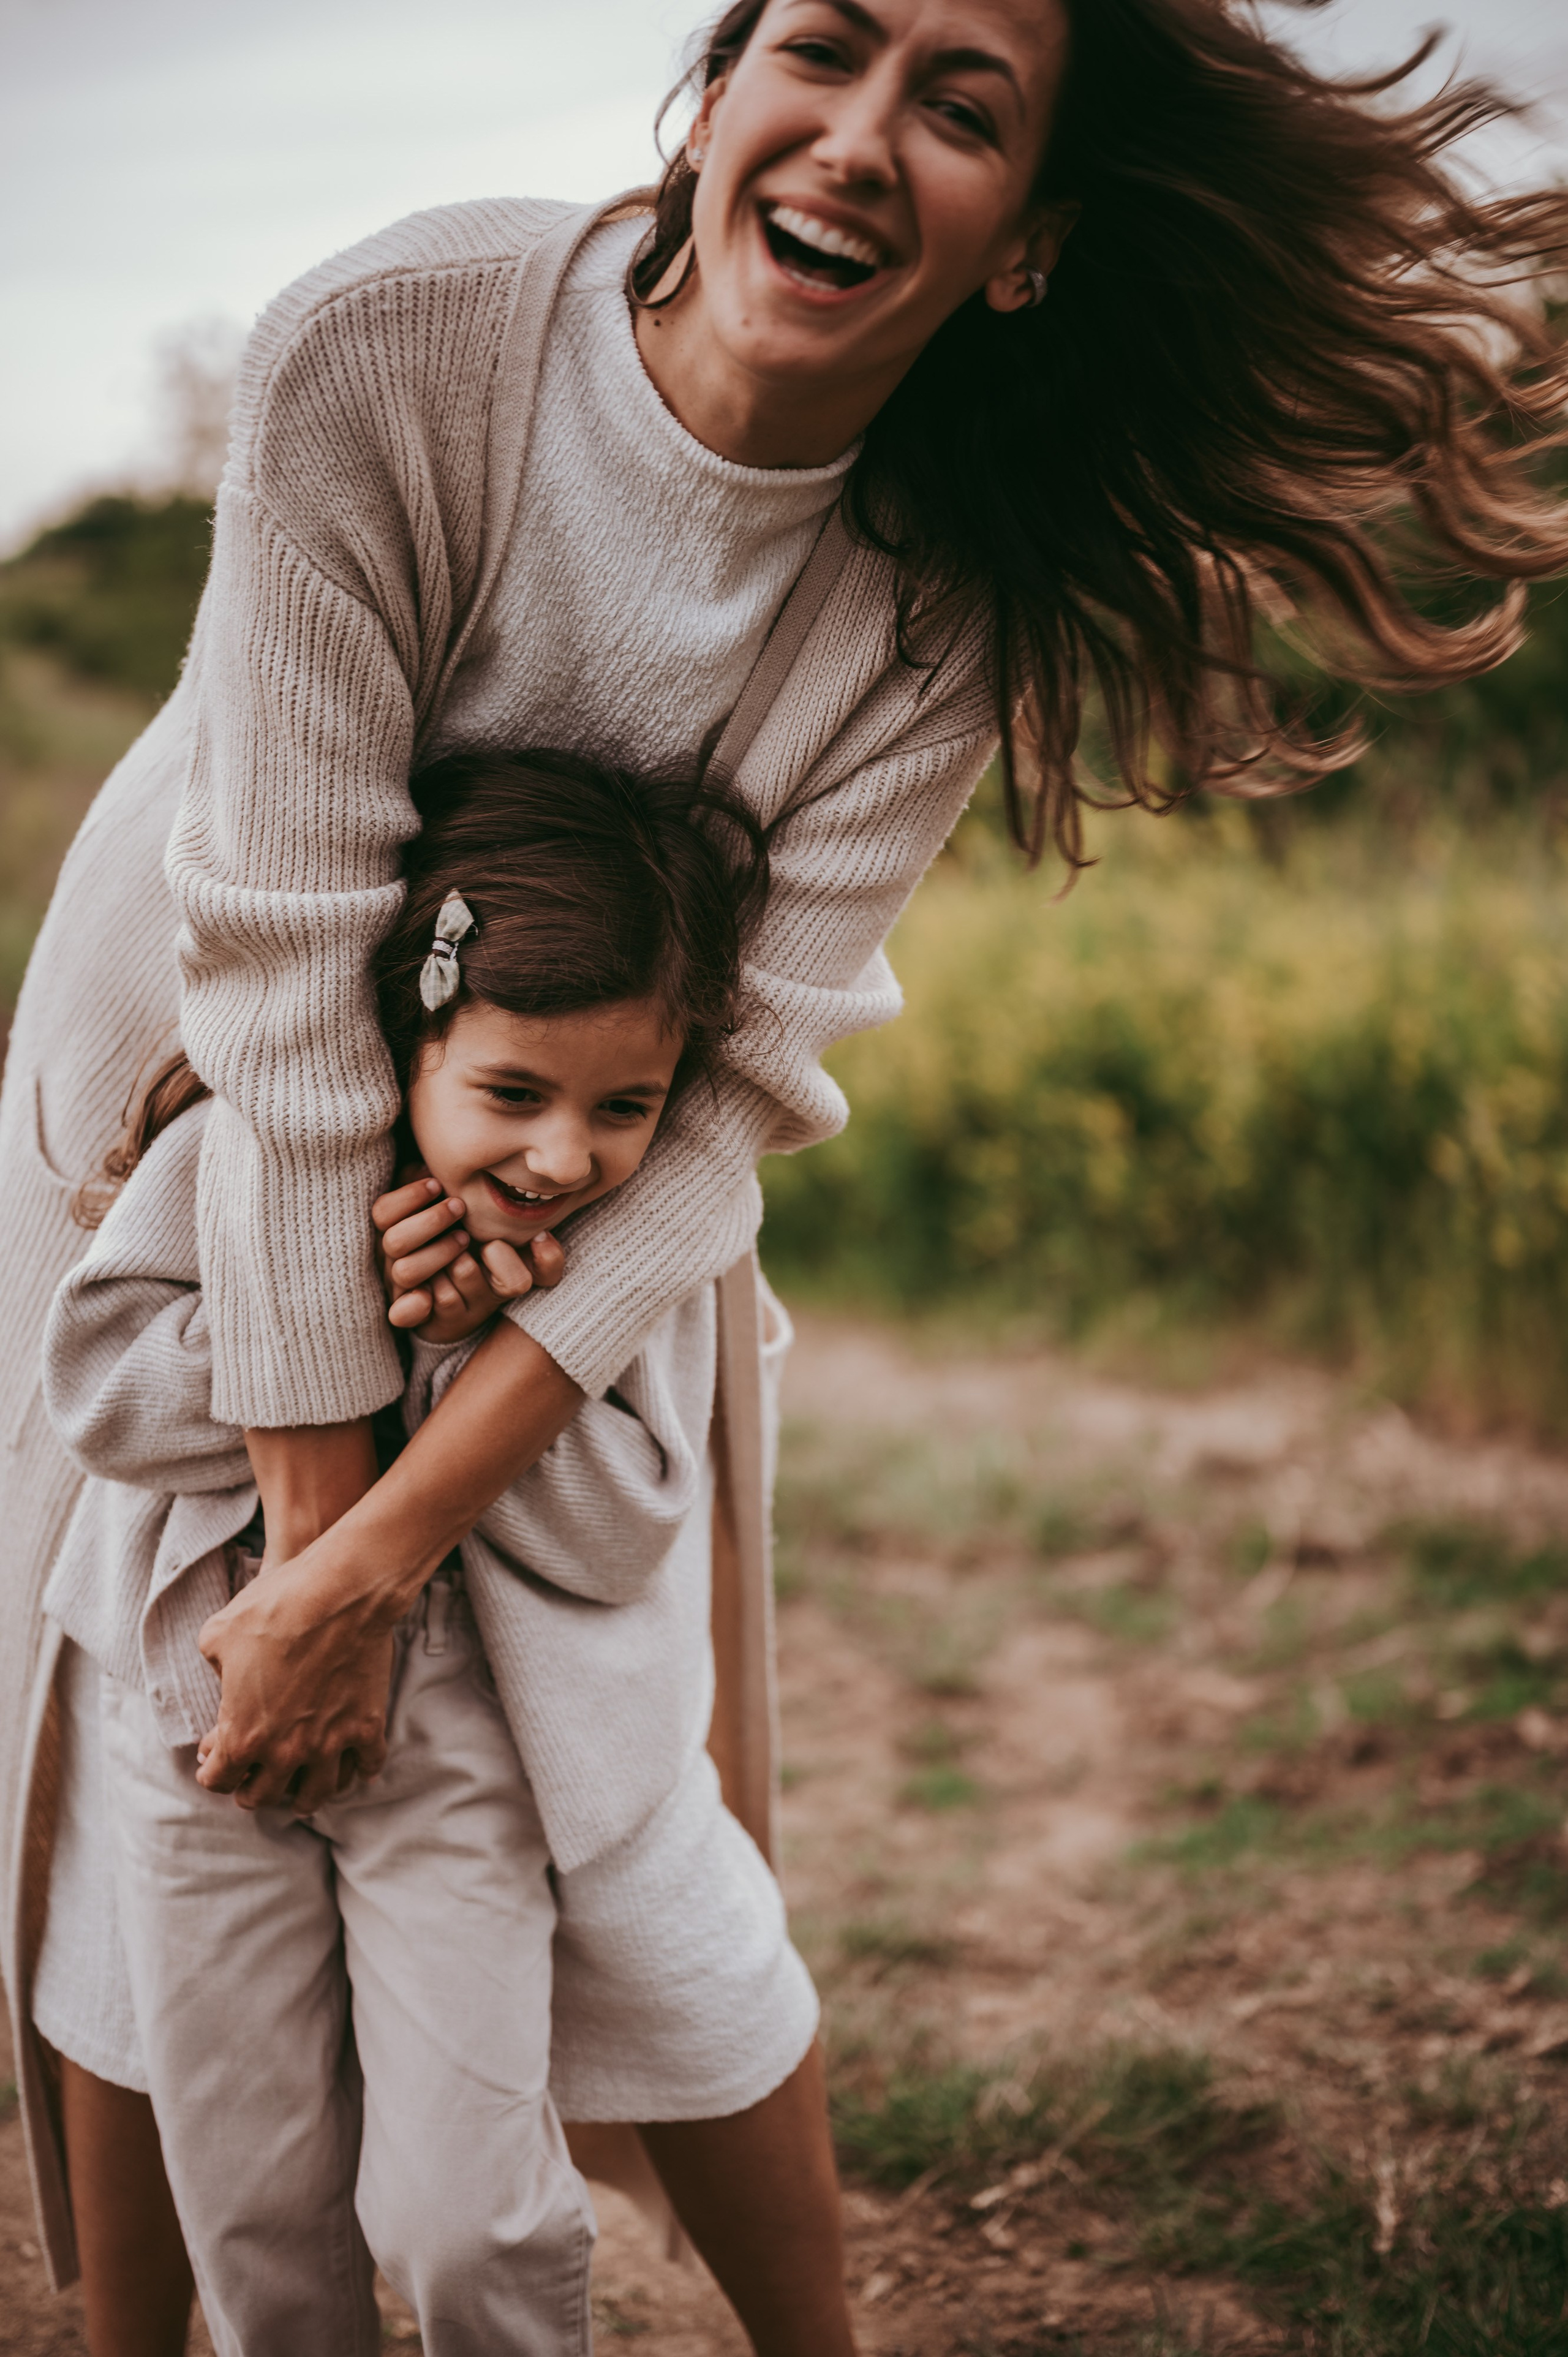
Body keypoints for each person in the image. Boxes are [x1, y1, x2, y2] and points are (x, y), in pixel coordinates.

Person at [2, 0, 1563, 2349]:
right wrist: (305, 1563)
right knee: (170, 1758)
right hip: (196, 1089)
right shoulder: (386, 346)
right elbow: (291, 978)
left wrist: (384, 1568)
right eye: (824, 49)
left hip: (597, 1185)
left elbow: (725, 1104)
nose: (858, 138)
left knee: (627, 1807)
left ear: (1024, 242)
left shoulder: (939, 597)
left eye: (962, 105)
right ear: (717, 91)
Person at [38, 752, 830, 2354]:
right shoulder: (236, 1162)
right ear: (412, 1036)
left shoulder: (619, 1257)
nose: (563, 1159)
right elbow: (102, 1398)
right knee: (259, 2219)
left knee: (469, 2224)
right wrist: (341, 1312)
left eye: (624, 1108)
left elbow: (616, 1535)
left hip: (460, 1737)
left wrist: (470, 1352)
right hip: (194, 1732)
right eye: (514, 1094)